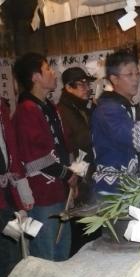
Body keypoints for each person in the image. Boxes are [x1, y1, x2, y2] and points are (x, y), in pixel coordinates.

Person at [13, 52, 79, 261]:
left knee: (62, 252)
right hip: (41, 196)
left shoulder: (49, 107)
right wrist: (67, 174)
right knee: (44, 256)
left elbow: (63, 145)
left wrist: (72, 177)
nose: (53, 73)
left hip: (59, 192)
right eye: (47, 68)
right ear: (35, 77)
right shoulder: (26, 110)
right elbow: (34, 158)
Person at [91, 50, 140, 193]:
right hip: (113, 188)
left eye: (137, 73)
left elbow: (137, 144)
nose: (136, 79)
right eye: (129, 74)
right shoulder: (107, 109)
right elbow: (130, 135)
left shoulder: (125, 106)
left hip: (129, 184)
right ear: (114, 79)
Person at [57, 67, 98, 255]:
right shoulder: (62, 111)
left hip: (89, 174)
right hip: (76, 178)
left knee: (94, 229)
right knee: (82, 233)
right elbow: (73, 146)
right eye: (81, 84)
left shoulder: (83, 108)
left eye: (87, 83)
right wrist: (78, 177)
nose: (86, 88)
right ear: (68, 87)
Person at [0, 97, 34, 277]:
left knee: (12, 258)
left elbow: (12, 154)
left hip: (7, 201)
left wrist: (22, 194)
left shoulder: (2, 110)